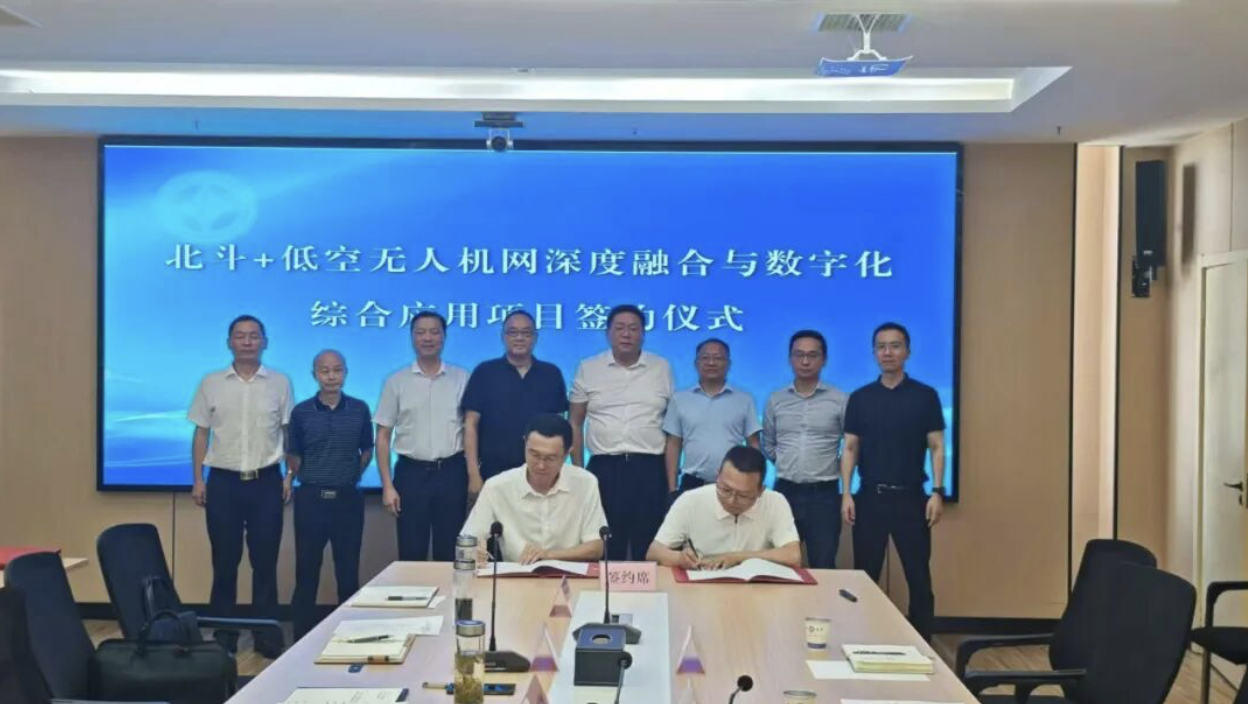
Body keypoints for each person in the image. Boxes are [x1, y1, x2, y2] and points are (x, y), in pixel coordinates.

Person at [188, 314, 292, 658]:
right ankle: (225, 633)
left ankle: (266, 634)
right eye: (240, 336)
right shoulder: (211, 382)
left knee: (265, 562)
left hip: (266, 483)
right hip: (223, 483)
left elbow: (288, 434)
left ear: (265, 342)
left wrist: (289, 477)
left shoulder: (280, 382)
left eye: (254, 336)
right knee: (224, 562)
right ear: (229, 342)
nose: (247, 342)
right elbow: (201, 433)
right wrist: (198, 479)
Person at [841, 322, 947, 642]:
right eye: (881, 346)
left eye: (895, 346)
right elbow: (850, 448)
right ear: (874, 352)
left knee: (918, 577)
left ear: (907, 351)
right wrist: (846, 494)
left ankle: (923, 643)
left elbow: (937, 446)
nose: (888, 352)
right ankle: (861, 638)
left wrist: (937, 492)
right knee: (864, 576)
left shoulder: (925, 396)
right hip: (870, 497)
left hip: (911, 498)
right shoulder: (860, 398)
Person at [569, 304, 674, 560]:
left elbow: (673, 425)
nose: (626, 334)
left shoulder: (661, 367)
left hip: (649, 468)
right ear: (608, 333)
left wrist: (672, 482)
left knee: (648, 546)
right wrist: (580, 473)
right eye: (620, 328)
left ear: (643, 334)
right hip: (605, 468)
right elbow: (575, 422)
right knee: (605, 545)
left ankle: (648, 588)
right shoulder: (589, 367)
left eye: (633, 328)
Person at [286, 350, 374, 641]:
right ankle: (301, 637)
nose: (331, 376)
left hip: (348, 499)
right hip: (311, 499)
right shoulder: (301, 412)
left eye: (337, 370)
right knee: (306, 571)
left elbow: (367, 450)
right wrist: (309, 475)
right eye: (325, 371)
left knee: (348, 571)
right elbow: (294, 454)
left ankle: (350, 636)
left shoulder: (360, 409)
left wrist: (351, 474)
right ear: (314, 375)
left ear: (346, 373)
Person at [375, 311, 470, 562]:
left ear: (444, 337)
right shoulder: (396, 381)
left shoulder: (462, 378)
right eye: (421, 332)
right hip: (411, 475)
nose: (428, 338)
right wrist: (387, 486)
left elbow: (471, 429)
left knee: (450, 553)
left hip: (451, 472)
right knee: (411, 551)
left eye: (434, 332)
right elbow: (383, 436)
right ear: (412, 337)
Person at [461, 414, 606, 563]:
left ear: (566, 454)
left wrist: (548, 555)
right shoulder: (497, 487)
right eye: (534, 454)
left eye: (550, 458)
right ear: (525, 444)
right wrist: (473, 552)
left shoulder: (585, 483)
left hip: (570, 574)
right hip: (517, 573)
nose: (541, 465)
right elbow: (467, 542)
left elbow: (596, 547)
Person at [762, 330, 848, 569]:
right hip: (785, 492)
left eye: (812, 355)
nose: (805, 361)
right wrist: (787, 463)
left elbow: (851, 446)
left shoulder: (840, 400)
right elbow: (768, 443)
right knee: (778, 565)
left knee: (823, 563)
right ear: (790, 358)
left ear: (824, 359)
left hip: (824, 495)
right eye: (799, 355)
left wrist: (828, 465)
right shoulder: (776, 399)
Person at [462, 309, 568, 498]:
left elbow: (560, 428)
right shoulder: (484, 372)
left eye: (526, 333)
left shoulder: (551, 374)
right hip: (493, 473)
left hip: (542, 473)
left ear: (535, 337)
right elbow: (470, 424)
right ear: (503, 337)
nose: (519, 338)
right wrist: (473, 474)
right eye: (513, 332)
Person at [647, 446, 801, 570]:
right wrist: (679, 559)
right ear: (717, 476)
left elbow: (793, 556)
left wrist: (737, 558)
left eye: (743, 496)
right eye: (725, 490)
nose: (731, 500)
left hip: (757, 590)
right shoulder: (690, 500)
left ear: (760, 490)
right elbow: (654, 552)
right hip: (702, 588)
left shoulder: (775, 502)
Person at [663, 338, 761, 496]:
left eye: (718, 358)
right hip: (692, 483)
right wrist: (672, 489)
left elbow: (754, 444)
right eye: (705, 357)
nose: (711, 362)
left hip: (733, 484)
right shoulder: (679, 399)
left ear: (728, 364)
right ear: (696, 363)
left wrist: (755, 483)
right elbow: (674, 444)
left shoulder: (744, 400)